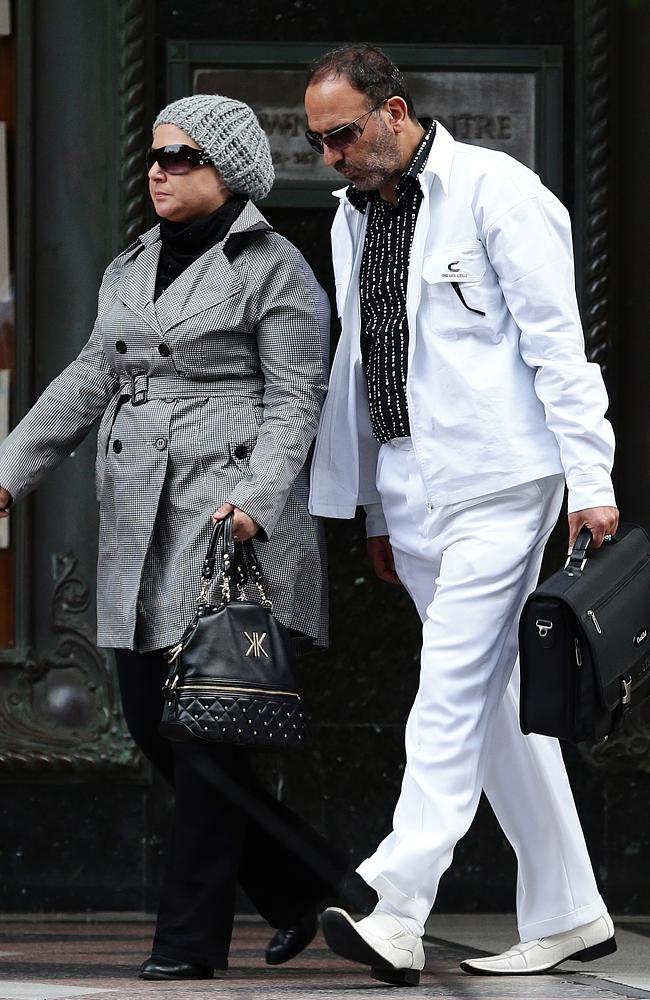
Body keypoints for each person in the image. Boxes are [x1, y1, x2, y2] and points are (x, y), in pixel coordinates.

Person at [0, 94, 345, 980]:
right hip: (137, 521)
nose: (160, 169)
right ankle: (317, 888)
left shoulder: (275, 267)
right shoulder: (130, 265)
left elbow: (296, 397)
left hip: (224, 520)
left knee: (205, 742)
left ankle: (187, 945)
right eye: (156, 155)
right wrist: (10, 471)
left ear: (228, 169)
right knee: (162, 727)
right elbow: (89, 374)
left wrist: (259, 500)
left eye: (184, 156)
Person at [305, 45, 619, 987]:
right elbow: (364, 365)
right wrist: (372, 508)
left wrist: (591, 480)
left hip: (503, 482)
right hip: (412, 492)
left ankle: (397, 904)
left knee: (447, 689)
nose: (332, 156)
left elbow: (561, 350)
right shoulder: (350, 216)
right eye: (318, 142)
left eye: (344, 134)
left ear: (394, 111)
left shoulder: (499, 192)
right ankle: (570, 912)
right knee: (491, 710)